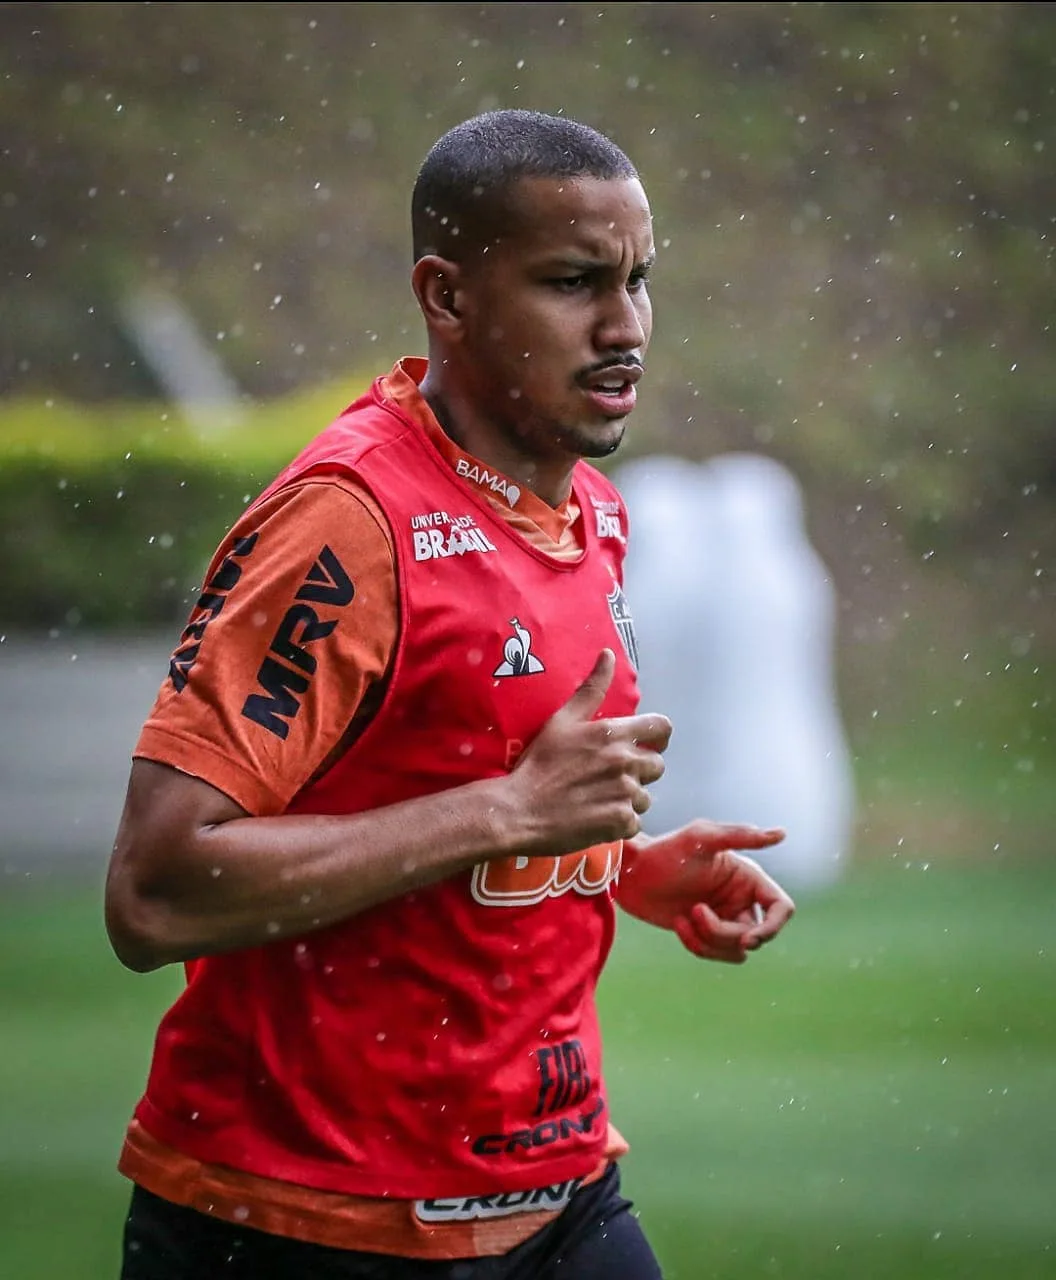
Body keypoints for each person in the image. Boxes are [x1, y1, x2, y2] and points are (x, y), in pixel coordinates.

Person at [104, 108, 796, 1280]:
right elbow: (156, 889)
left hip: (556, 1190)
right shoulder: (348, 524)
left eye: (638, 280)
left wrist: (618, 862)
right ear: (449, 294)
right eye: (575, 281)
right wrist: (516, 815)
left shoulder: (591, 511)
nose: (624, 326)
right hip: (295, 1219)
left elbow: (450, 783)